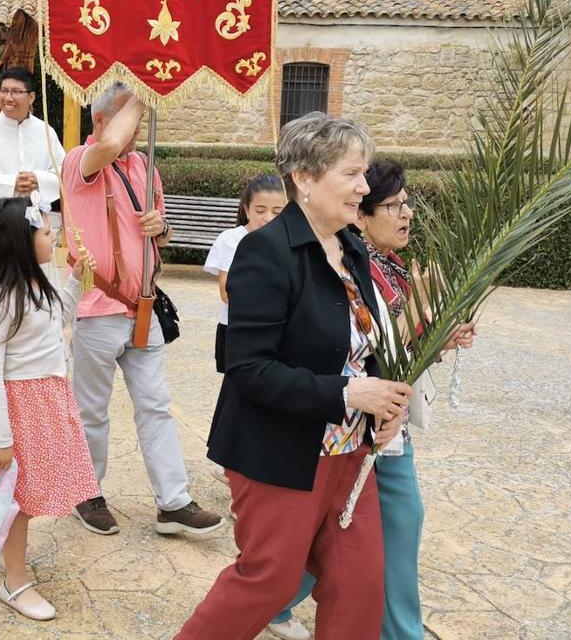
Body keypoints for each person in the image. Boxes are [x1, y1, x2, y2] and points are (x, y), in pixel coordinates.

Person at [173, 112, 415, 640]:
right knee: (270, 579)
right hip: (280, 453)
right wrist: (348, 391)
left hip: (350, 450)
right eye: (352, 173)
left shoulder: (351, 247)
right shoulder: (265, 252)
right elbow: (248, 368)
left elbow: (361, 342)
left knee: (359, 583)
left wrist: (387, 403)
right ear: (304, 179)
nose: (364, 186)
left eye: (365, 172)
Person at [270, 160, 477, 640]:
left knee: (344, 538)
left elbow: (399, 354)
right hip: (361, 422)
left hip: (386, 419)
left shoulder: (390, 265)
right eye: (392, 206)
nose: (406, 215)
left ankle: (273, 602)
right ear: (361, 216)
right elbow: (368, 353)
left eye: (407, 204)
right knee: (397, 527)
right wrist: (424, 311)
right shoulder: (354, 265)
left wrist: (441, 337)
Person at [62, 82, 224, 539]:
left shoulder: (143, 165)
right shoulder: (81, 161)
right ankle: (87, 491)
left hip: (143, 306)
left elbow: (159, 235)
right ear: (100, 121)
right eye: (129, 122)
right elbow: (111, 143)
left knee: (155, 405)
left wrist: (161, 225)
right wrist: (148, 84)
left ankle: (173, 502)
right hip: (97, 307)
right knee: (92, 409)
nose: (134, 135)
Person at [0, 196, 100, 622]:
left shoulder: (35, 283)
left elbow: (53, 318)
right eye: (46, 232)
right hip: (19, 408)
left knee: (28, 494)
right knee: (16, 498)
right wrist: (0, 439)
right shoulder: (0, 296)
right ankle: (14, 580)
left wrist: (75, 281)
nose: (54, 235)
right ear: (20, 241)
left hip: (45, 401)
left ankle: (16, 569)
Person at [202, 173, 287, 493]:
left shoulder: (290, 238)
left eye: (278, 211)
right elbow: (227, 291)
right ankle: (228, 462)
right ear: (246, 209)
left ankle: (248, 462)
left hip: (276, 333)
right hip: (237, 331)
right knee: (237, 396)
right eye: (260, 210)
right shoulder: (231, 240)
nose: (268, 218)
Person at [0, 67, 64, 285]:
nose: (8, 97)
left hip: (33, 225)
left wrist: (38, 180)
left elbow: (62, 173)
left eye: (16, 91)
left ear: (31, 96)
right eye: (4, 91)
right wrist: (11, 184)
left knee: (35, 291)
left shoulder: (46, 132)